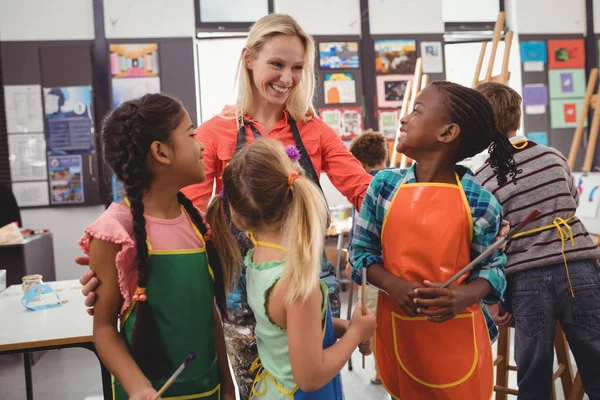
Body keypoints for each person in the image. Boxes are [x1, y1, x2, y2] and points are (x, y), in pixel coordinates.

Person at [78, 14, 373, 398]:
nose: (287, 77)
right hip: (244, 298)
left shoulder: (314, 129)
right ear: (249, 59)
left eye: (298, 67)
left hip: (306, 284)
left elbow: (365, 193)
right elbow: (187, 215)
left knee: (313, 386)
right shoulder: (216, 132)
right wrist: (124, 258)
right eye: (277, 64)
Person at [350, 81, 518, 399]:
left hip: (460, 340)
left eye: (416, 110)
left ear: (447, 133)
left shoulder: (480, 201)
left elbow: (493, 269)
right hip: (401, 335)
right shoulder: (383, 187)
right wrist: (392, 284)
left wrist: (465, 295)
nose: (404, 118)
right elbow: (360, 253)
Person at [79, 94, 236, 400]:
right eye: (191, 134)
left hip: (207, 391)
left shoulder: (198, 224)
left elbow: (209, 312)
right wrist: (139, 387)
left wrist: (227, 387)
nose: (202, 144)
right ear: (161, 152)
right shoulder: (114, 233)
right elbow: (105, 329)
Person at [207, 138, 376, 399]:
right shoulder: (296, 283)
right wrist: (355, 335)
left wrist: (343, 327)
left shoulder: (257, 257)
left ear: (238, 216)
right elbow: (310, 377)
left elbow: (288, 330)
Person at [475, 82, 600, 400]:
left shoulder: (482, 179)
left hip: (528, 280)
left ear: (479, 127)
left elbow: (488, 241)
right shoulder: (553, 156)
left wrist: (491, 300)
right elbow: (570, 200)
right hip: (580, 267)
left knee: (532, 375)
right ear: (516, 116)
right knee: (597, 364)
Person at [344, 130, 387, 385]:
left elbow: (362, 228)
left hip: (372, 269)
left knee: (374, 322)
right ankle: (388, 369)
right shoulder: (395, 181)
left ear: (358, 162)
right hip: (391, 268)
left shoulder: (365, 186)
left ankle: (383, 372)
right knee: (388, 320)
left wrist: (354, 261)